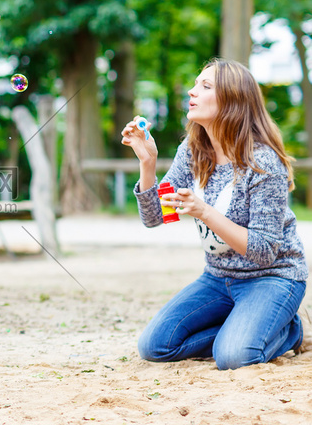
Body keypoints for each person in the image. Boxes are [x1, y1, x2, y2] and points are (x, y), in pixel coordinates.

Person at [121, 58, 311, 370]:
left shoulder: (263, 163)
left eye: (205, 86)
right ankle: (246, 325)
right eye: (196, 84)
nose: (192, 92)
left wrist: (206, 212)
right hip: (218, 278)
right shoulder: (193, 151)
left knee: (234, 357)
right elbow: (156, 217)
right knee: (154, 346)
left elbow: (264, 252)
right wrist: (148, 162)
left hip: (273, 278)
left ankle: (291, 330)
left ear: (232, 101)